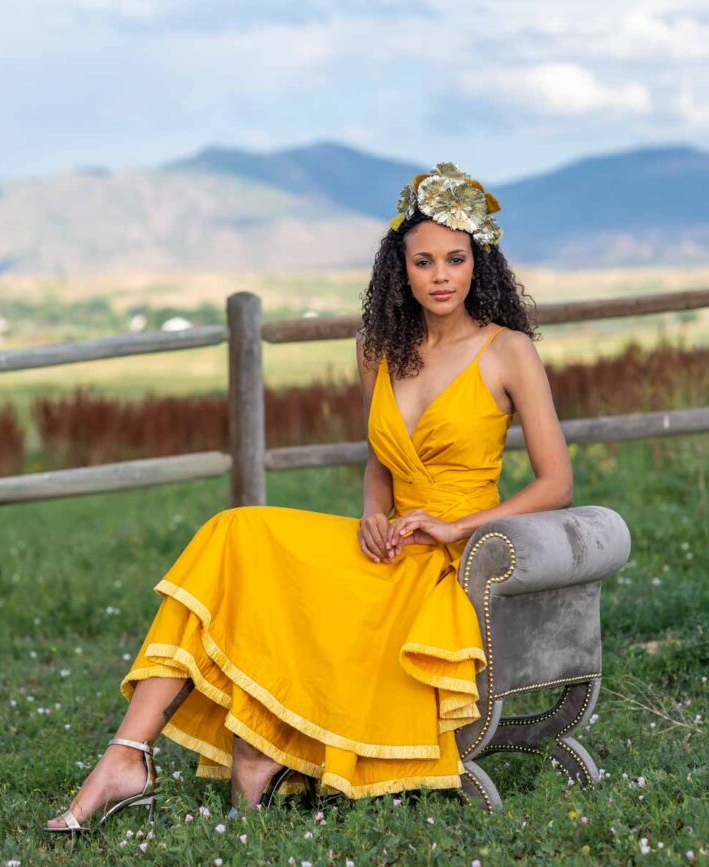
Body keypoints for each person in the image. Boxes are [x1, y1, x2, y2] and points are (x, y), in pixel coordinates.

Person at [44, 161, 572, 834]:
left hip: (450, 556)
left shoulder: (509, 351)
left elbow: (556, 483)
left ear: (478, 262)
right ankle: (129, 755)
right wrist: (373, 516)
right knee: (235, 533)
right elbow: (380, 460)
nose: (440, 275)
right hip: (386, 544)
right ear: (400, 268)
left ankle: (256, 752)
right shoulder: (379, 348)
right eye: (423, 261)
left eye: (455, 259)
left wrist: (451, 526)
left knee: (272, 574)